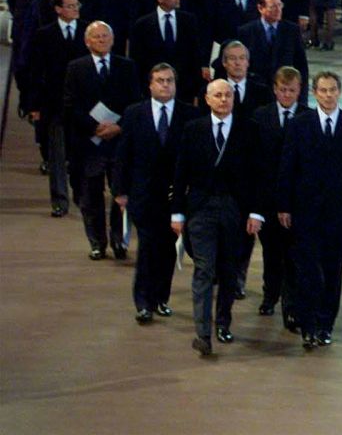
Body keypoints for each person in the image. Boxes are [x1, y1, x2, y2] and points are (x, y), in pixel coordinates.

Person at [277, 71, 342, 348]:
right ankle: (308, 325)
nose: (328, 95)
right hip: (305, 212)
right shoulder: (300, 125)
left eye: (333, 90)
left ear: (340, 92)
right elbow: (287, 167)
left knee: (333, 272)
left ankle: (325, 325)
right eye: (323, 90)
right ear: (314, 93)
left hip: (339, 213)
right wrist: (283, 205)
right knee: (309, 271)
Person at [170, 78, 259, 355]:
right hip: (201, 209)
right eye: (218, 95)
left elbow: (260, 175)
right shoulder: (193, 130)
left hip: (236, 211)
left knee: (229, 270)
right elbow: (180, 172)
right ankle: (203, 333)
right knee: (204, 269)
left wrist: (256, 212)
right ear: (207, 99)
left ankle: (223, 322)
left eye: (228, 95)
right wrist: (177, 212)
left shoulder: (249, 130)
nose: (223, 100)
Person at [115, 63, 197, 323]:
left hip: (175, 196)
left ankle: (161, 298)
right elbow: (123, 154)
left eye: (170, 80)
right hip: (144, 194)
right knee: (148, 248)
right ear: (150, 84)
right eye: (160, 80)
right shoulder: (134, 113)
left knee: (169, 250)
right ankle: (143, 302)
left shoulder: (189, 114)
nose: (165, 85)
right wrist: (120, 190)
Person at [63, 22, 142, 259]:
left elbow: (135, 102)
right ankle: (97, 242)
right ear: (87, 41)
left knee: (121, 194)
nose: (102, 40)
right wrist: (94, 127)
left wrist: (118, 127)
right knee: (91, 195)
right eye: (96, 37)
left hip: (119, 141)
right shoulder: (76, 68)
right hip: (89, 142)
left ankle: (119, 241)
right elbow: (69, 105)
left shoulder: (126, 67)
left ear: (113, 39)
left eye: (106, 36)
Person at [249, 65, 308, 331]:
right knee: (272, 253)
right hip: (268, 198)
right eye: (282, 90)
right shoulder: (260, 116)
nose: (287, 95)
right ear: (274, 89)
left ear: (299, 90)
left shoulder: (308, 117)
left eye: (292, 90)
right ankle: (270, 294)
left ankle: (291, 307)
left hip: (298, 201)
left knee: (293, 256)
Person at [31, 0, 89, 216]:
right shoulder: (44, 34)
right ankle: (59, 200)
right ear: (58, 9)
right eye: (71, 6)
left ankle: (80, 196)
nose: (76, 9)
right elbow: (36, 72)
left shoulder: (88, 32)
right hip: (54, 104)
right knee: (57, 155)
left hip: (83, 105)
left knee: (80, 155)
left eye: (77, 5)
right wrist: (34, 106)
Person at [128, 0, 204, 104]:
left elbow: (195, 56)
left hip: (184, 91)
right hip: (152, 92)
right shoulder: (142, 25)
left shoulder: (189, 20)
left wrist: (196, 90)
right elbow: (137, 60)